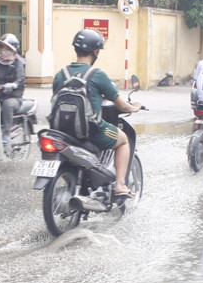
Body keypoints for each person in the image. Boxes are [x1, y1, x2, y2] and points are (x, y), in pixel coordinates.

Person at [53, 29, 141, 196]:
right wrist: (135, 107)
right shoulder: (97, 75)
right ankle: (121, 185)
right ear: (95, 52)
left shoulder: (60, 74)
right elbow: (122, 105)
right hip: (89, 131)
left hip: (61, 131)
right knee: (123, 140)